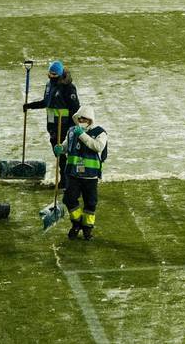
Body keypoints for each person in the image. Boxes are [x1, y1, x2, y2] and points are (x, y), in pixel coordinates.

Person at [54, 106, 107, 241]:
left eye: (84, 118)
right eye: (80, 118)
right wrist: (60, 149)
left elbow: (98, 147)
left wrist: (82, 135)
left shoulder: (100, 132)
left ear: (90, 120)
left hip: (90, 175)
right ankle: (77, 223)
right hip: (73, 174)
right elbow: (67, 146)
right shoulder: (72, 131)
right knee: (69, 199)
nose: (81, 120)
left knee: (90, 203)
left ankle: (87, 229)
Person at [23, 60, 80, 188]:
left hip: (64, 125)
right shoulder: (49, 85)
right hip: (52, 125)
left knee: (63, 153)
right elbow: (46, 102)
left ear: (60, 74)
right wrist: (30, 106)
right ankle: (65, 179)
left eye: (54, 74)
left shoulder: (68, 88)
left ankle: (66, 180)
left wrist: (73, 126)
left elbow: (75, 108)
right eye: (50, 73)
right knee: (58, 153)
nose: (52, 76)